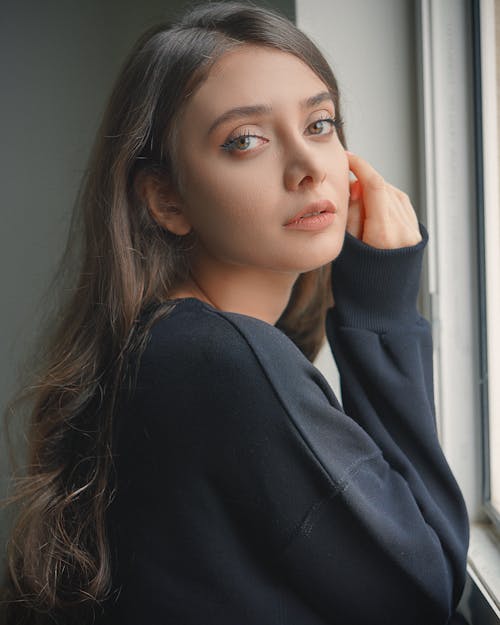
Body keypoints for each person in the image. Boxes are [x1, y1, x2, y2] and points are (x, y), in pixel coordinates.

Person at [1, 2, 469, 624]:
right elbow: (426, 591)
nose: (307, 168)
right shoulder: (221, 360)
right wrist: (382, 312)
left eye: (320, 124)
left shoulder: (167, 344)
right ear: (166, 200)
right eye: (245, 141)